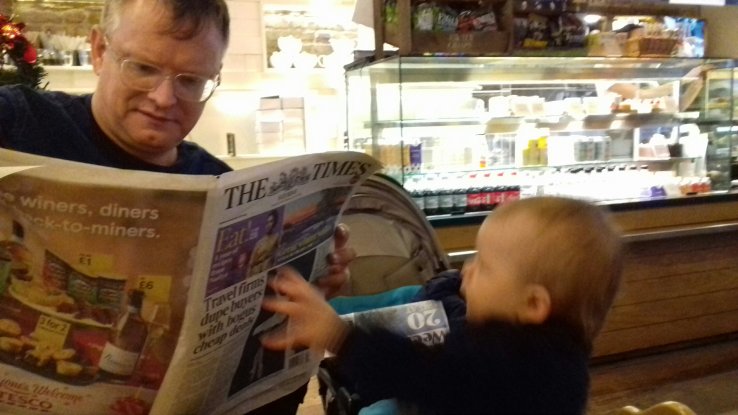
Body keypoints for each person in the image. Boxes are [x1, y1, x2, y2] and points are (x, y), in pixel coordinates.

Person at [0, 1, 354, 413]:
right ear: (99, 51)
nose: (164, 98)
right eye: (143, 68)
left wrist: (308, 298)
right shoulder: (19, 123)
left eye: (191, 81)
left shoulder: (223, 191)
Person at [262, 196, 624, 414]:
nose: (466, 270)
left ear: (532, 304)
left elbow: (423, 370)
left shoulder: (527, 366)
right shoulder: (527, 347)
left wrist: (339, 335)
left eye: (484, 265)